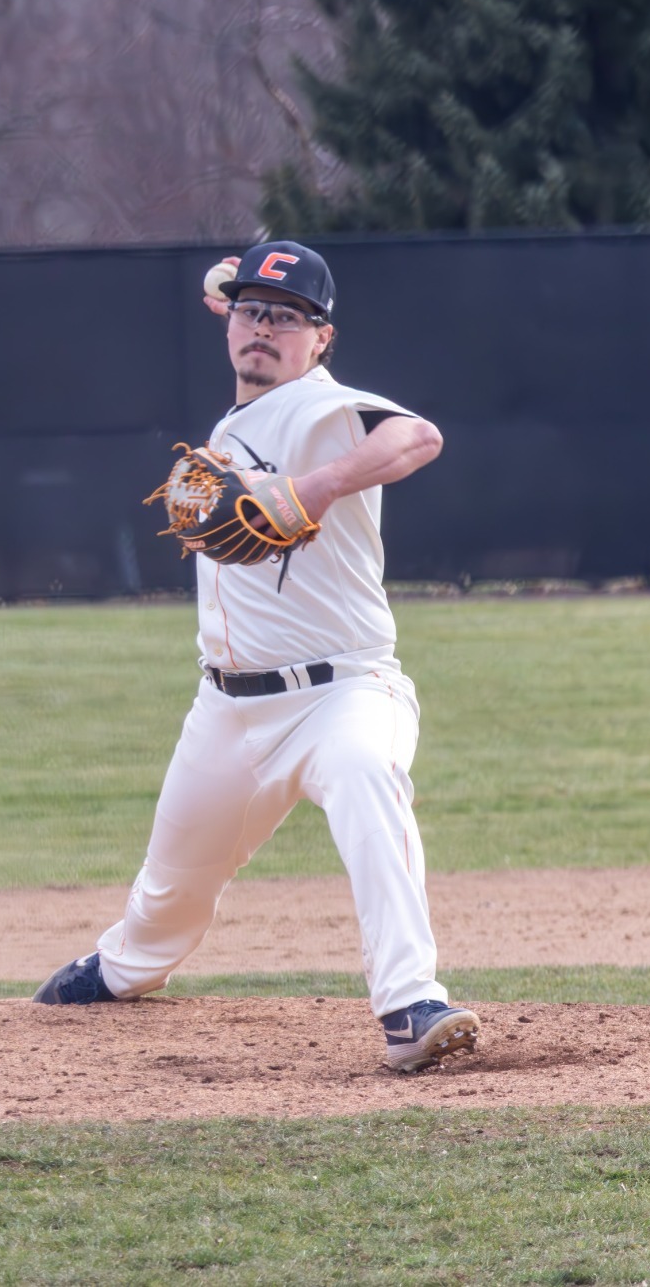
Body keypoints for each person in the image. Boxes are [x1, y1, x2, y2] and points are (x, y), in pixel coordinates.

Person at [32, 240, 479, 1073]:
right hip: (228, 711)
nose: (264, 328)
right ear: (226, 319)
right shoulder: (240, 415)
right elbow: (253, 309)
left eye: (287, 319)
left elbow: (418, 437)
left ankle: (411, 1002)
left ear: (323, 339)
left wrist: (314, 486)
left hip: (342, 690)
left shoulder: (324, 406)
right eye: (249, 312)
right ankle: (125, 967)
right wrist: (250, 294)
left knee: (365, 777)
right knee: (169, 896)